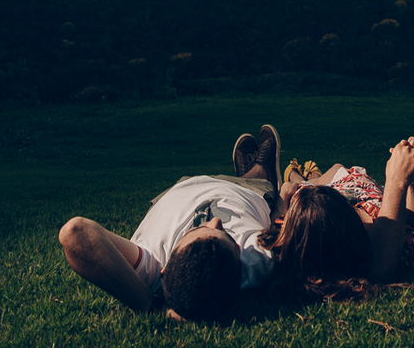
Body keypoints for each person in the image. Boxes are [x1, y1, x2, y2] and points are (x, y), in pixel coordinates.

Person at [58, 124, 282, 322]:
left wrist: (152, 306)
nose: (214, 221)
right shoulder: (258, 261)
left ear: (165, 270)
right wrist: (284, 197)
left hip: (184, 187)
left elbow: (75, 232)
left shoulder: (152, 265)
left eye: (198, 229)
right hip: (245, 192)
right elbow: (283, 219)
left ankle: (248, 169)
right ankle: (263, 169)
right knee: (258, 177)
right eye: (227, 235)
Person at [258, 136, 414, 300]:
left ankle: (297, 176)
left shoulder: (301, 232)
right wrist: (406, 182)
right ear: (351, 223)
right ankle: (308, 176)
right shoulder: (395, 240)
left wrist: (283, 194)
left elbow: (274, 227)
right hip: (354, 186)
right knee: (337, 169)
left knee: (299, 186)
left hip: (317, 198)